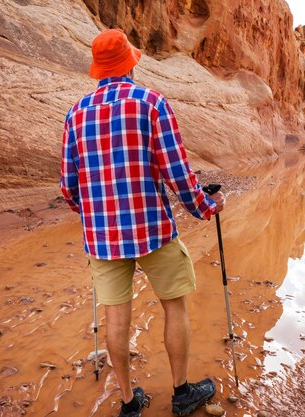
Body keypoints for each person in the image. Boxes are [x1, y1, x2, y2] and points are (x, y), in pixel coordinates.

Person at [60, 28, 225, 417]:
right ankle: (182, 393)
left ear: (98, 69)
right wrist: (207, 206)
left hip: (101, 238)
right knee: (174, 306)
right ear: (131, 62)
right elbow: (178, 174)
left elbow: (69, 186)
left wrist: (95, 215)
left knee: (116, 316)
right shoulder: (150, 102)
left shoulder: (76, 113)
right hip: (153, 230)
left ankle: (128, 402)